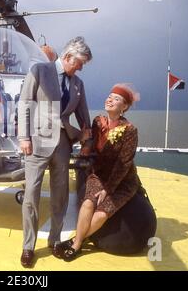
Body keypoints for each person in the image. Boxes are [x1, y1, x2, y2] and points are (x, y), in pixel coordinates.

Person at [17, 36, 93, 267]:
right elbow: (25, 104)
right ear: (68, 56)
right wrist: (24, 137)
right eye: (79, 63)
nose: (81, 68)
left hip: (62, 144)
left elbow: (83, 115)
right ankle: (28, 247)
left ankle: (55, 240)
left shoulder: (78, 84)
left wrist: (87, 138)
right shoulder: (40, 70)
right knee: (31, 193)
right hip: (36, 142)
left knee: (60, 195)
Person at [61, 83, 142, 261]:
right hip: (99, 175)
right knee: (88, 203)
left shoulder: (130, 130)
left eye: (116, 98)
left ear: (125, 107)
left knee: (103, 212)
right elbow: (91, 145)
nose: (110, 99)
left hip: (122, 181)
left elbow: (124, 164)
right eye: (109, 96)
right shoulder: (98, 122)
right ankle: (78, 243)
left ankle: (75, 243)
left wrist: (108, 189)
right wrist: (83, 148)